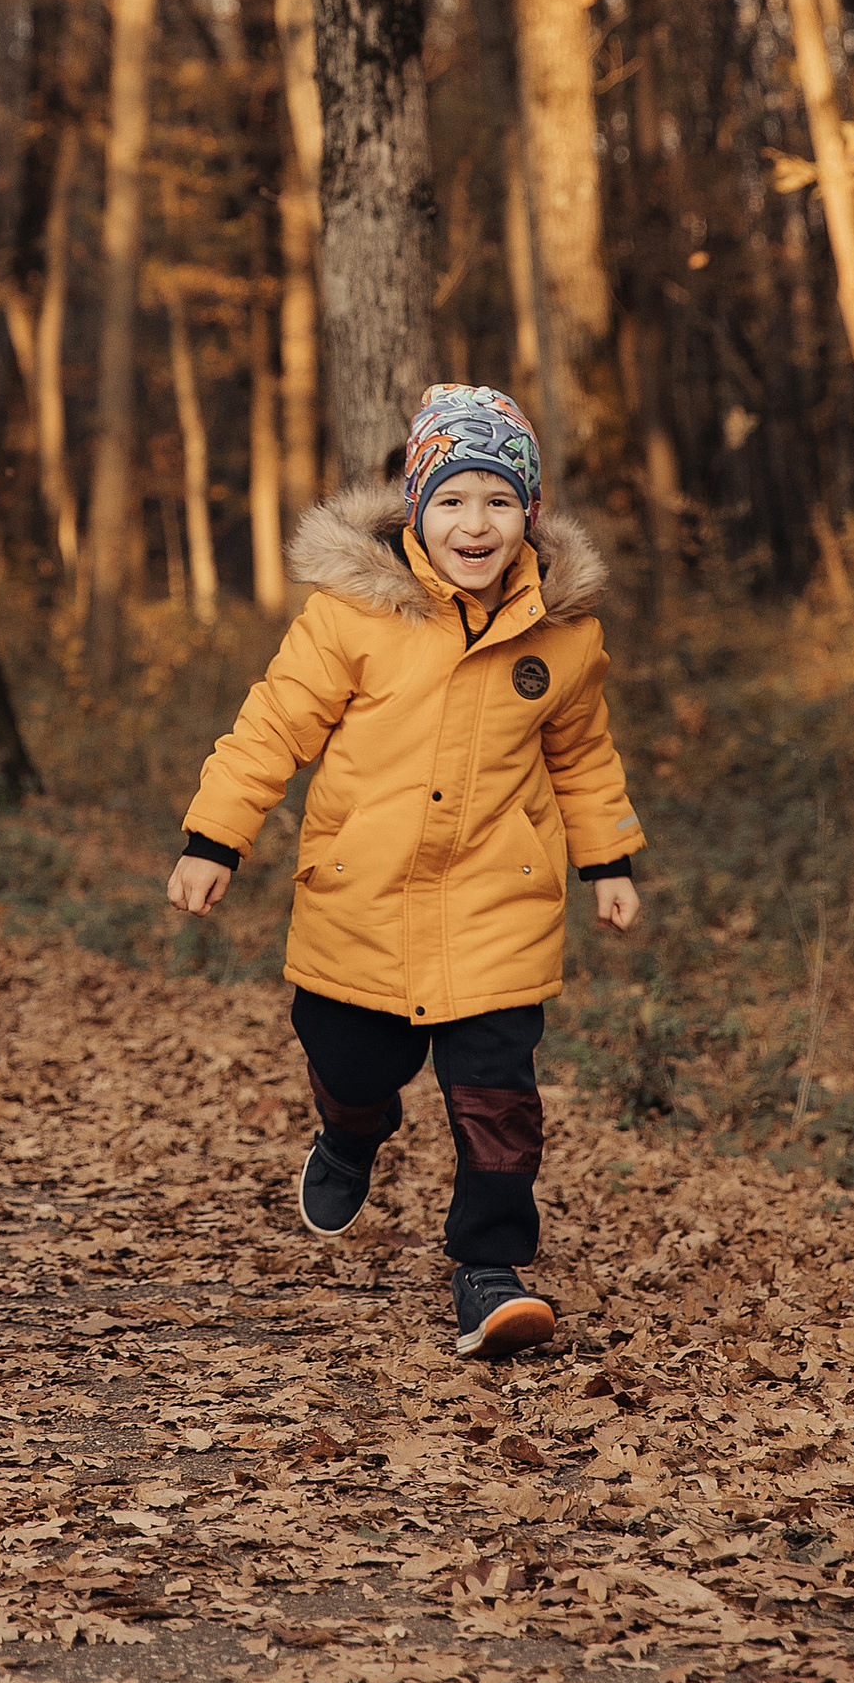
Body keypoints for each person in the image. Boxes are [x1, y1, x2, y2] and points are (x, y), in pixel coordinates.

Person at [165, 384, 643, 1362]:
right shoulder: (352, 619)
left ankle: (488, 1269)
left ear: (530, 516)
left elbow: (583, 757)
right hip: (360, 904)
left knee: (496, 1099)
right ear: (416, 509)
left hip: (496, 905)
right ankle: (350, 1134)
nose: (477, 524)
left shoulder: (562, 636)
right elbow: (271, 727)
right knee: (347, 1058)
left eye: (500, 502)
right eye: (455, 500)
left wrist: (609, 862)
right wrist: (214, 837)